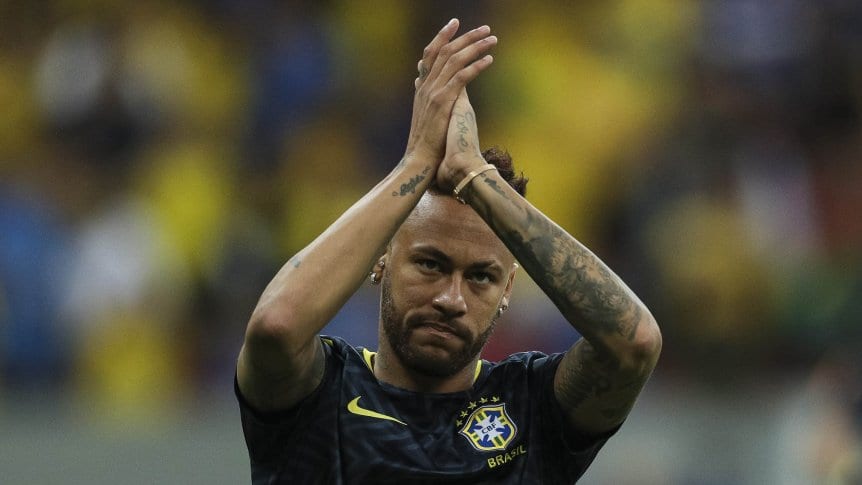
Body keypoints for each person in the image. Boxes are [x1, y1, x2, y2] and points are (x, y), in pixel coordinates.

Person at [235, 18, 661, 484]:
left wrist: (472, 175)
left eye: (480, 276)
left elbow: (633, 343)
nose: (450, 299)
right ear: (381, 259)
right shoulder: (319, 393)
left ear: (507, 288)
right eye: (429, 264)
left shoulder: (532, 408)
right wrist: (416, 162)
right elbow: (276, 326)